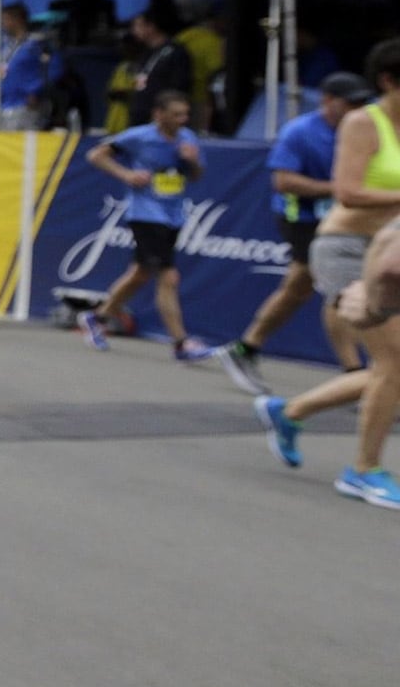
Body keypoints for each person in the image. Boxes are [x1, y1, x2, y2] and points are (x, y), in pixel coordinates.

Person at [252, 40, 400, 509]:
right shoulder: (364, 122)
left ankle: (290, 412)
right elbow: (348, 191)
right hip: (347, 250)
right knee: (393, 361)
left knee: (392, 368)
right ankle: (363, 470)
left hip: (391, 250)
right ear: (389, 81)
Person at [215, 72, 376, 394]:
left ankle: (246, 347)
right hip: (300, 216)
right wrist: (337, 188)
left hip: (349, 217)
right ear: (328, 101)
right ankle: (354, 374)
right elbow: (284, 181)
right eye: (350, 102)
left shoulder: (366, 129)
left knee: (299, 287)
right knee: (339, 290)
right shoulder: (300, 132)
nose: (357, 108)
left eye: (361, 102)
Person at [76, 90, 218, 361]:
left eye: (185, 114)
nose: (182, 119)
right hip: (145, 214)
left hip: (173, 215)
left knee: (140, 274)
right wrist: (126, 174)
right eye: (176, 114)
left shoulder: (188, 138)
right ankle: (181, 343)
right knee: (168, 277)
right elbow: (96, 155)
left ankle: (97, 318)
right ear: (159, 115)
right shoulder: (139, 137)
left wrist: (192, 160)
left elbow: (197, 176)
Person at [127, 3, 193, 123]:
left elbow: (179, 88)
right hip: (139, 115)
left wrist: (164, 114)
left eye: (137, 26)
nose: (133, 31)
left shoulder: (176, 52)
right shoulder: (144, 53)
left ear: (151, 26)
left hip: (160, 121)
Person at [0, 3, 46, 131]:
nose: (3, 24)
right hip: (6, 106)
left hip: (25, 107)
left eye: (5, 20)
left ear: (17, 20)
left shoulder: (35, 44)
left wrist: (35, 92)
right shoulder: (8, 47)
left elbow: (53, 68)